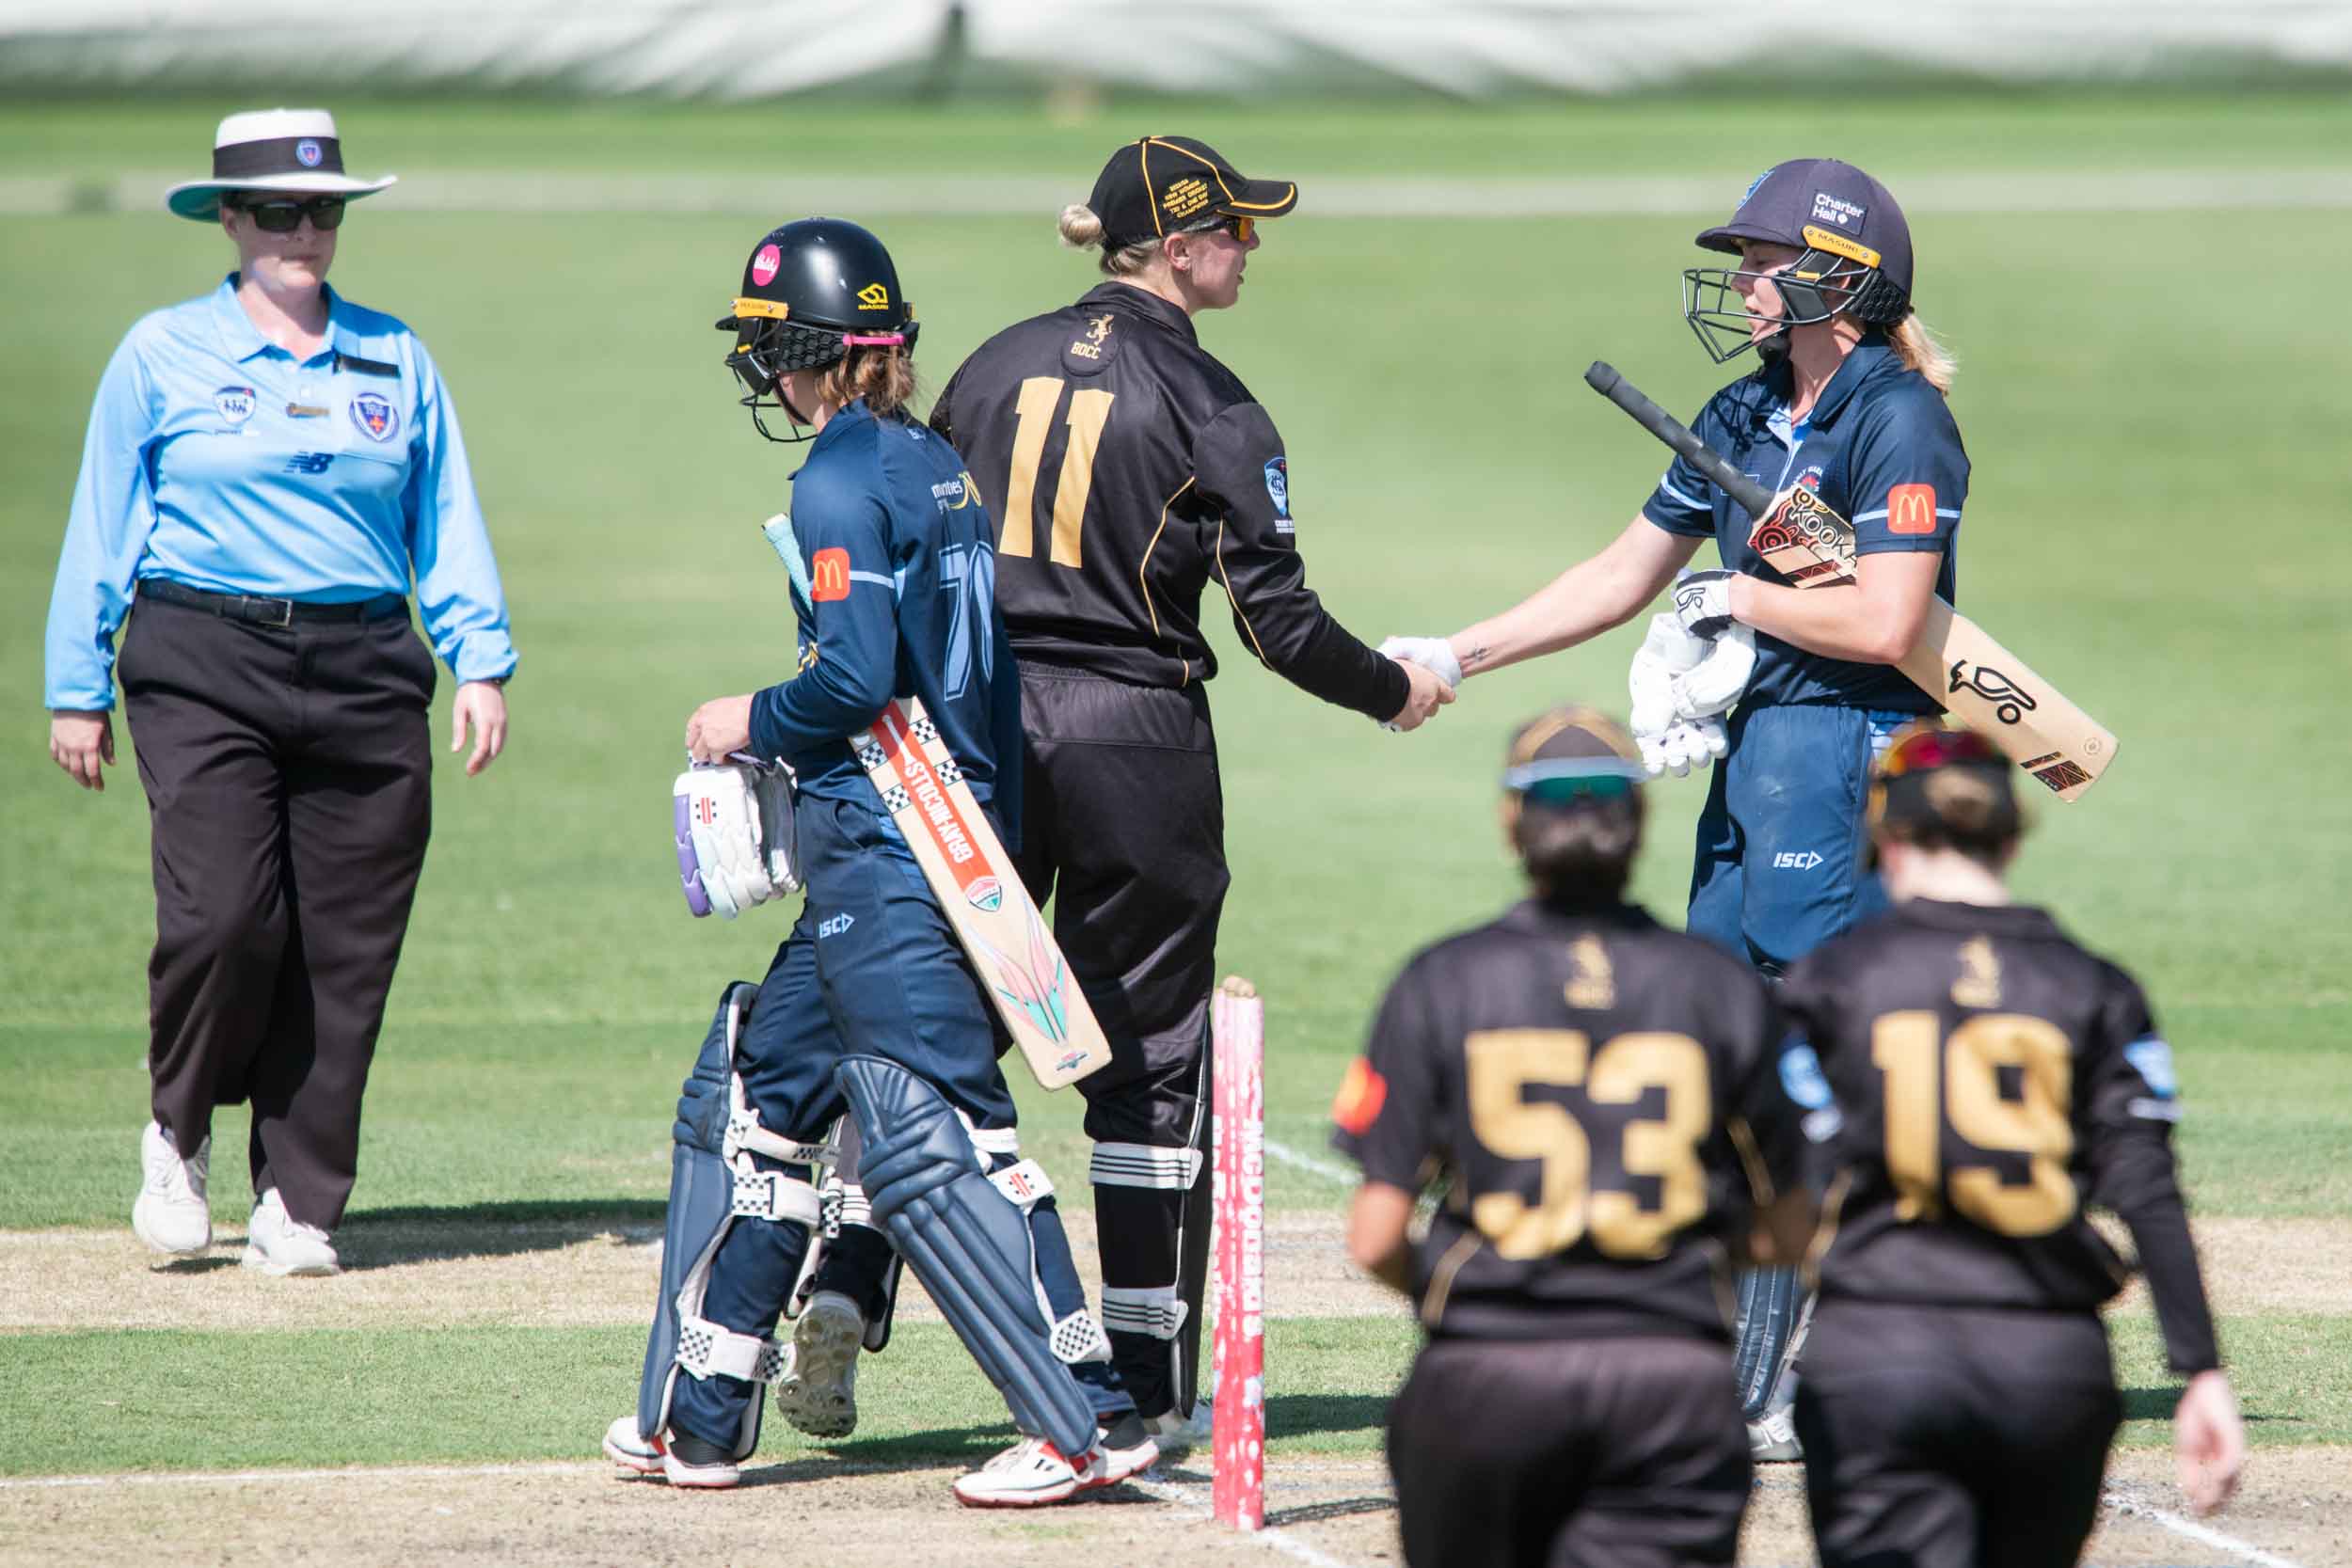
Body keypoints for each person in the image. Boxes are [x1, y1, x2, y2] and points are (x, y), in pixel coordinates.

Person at [1381, 157, 1966, 1453]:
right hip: (1757, 755)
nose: (1743, 282)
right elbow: (1622, 573)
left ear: (1840, 279)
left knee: (1821, 1066)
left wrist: (1735, 596)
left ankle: (1819, 1366)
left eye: (1764, 261)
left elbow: (1890, 619)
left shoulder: (1899, 420)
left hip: (1854, 755)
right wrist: (1456, 655)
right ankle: (1740, 1361)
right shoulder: (1744, 408)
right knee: (1724, 1049)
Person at [600, 217, 1154, 1506]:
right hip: (923, 837)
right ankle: (700, 1417)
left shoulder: (837, 480)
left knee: (942, 1127)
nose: (762, 370)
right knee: (753, 1094)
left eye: (768, 345)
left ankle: (1088, 1416)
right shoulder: (928, 461)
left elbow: (852, 679)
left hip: (893, 851)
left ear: (806, 350)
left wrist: (746, 717)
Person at [915, 135, 1451, 1445]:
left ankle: (850, 1280)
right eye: (1238, 231)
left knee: (935, 1027)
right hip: (1135, 740)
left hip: (979, 727)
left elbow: (921, 555)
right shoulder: (1214, 403)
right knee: (1151, 1058)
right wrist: (1391, 688)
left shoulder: (988, 365)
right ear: (1179, 246)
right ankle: (1145, 1382)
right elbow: (1277, 624)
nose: (1252, 249)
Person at [42, 107, 515, 1277]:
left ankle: (297, 1198)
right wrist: (75, 685)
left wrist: (480, 658)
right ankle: (178, 1131)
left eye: (324, 211)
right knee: (223, 918)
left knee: (344, 947)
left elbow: (444, 513)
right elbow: (102, 520)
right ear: (230, 220)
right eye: (279, 211)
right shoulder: (161, 353)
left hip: (366, 664)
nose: (304, 231)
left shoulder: (394, 355)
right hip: (202, 654)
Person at [1332, 706, 1816, 1568]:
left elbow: (1374, 1237)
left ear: (1510, 822)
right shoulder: (1721, 988)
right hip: (1671, 1386)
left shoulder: (1442, 980)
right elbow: (1792, 1221)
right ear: (1640, 820)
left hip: (1487, 1381)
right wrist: (1700, 1262)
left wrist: (1458, 1294)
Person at [1779, 721, 2244, 1565]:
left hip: (1878, 1352)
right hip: (2047, 1363)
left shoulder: (1832, 981)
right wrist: (2200, 1366)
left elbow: (1777, 1179)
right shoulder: (2095, 985)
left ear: (1887, 836)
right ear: (2011, 838)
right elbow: (2145, 1186)